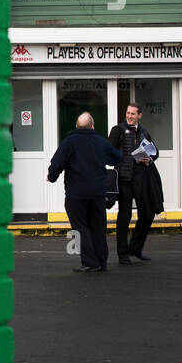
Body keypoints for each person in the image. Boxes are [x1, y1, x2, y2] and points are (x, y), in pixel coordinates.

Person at [48, 112, 122, 272]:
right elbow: (116, 158)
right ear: (93, 125)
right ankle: (102, 261)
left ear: (76, 126)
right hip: (98, 192)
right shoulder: (101, 142)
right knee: (98, 227)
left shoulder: (69, 142)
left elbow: (57, 163)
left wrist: (51, 177)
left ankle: (90, 262)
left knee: (80, 226)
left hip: (76, 193)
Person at [108, 102, 165, 264]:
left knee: (147, 214)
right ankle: (123, 255)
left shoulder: (144, 131)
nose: (129, 116)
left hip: (141, 179)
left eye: (133, 114)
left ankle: (136, 248)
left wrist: (149, 159)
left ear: (139, 115)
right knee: (124, 216)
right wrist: (120, 158)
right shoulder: (117, 130)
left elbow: (155, 152)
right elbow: (109, 150)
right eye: (128, 113)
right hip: (125, 180)